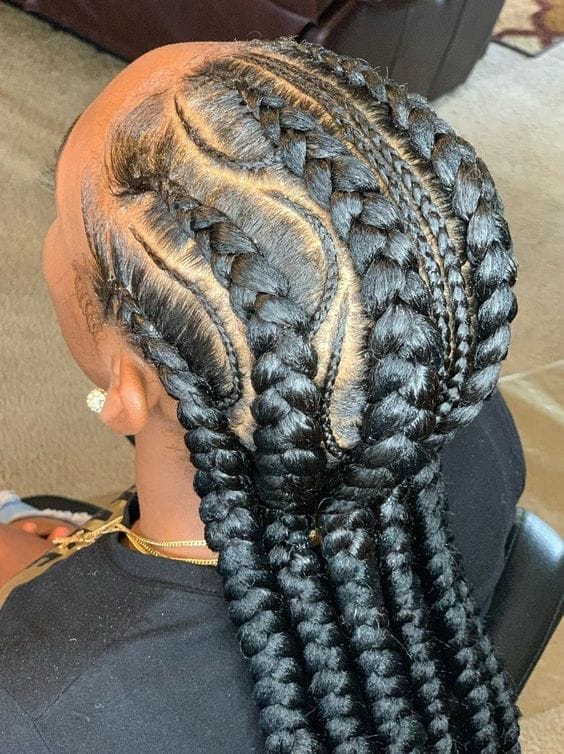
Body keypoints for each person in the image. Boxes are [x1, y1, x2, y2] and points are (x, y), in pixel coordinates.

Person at [0, 38, 526, 753]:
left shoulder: (38, 703)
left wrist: (44, 607)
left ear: (127, 391)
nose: (53, 235)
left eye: (62, 217)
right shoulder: (469, 422)